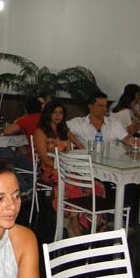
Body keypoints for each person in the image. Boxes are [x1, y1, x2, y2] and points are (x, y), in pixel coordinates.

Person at [34, 101, 105, 237]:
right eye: (55, 112)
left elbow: (80, 147)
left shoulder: (64, 131)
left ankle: (95, 221)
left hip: (68, 168)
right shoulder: (40, 132)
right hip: (50, 169)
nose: (58, 116)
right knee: (74, 184)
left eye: (61, 113)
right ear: (48, 114)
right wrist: (64, 168)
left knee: (97, 185)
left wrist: (80, 160)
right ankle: (73, 222)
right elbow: (44, 159)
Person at [67, 91, 136, 149]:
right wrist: (79, 145)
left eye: (105, 106)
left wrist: (133, 141)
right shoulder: (78, 123)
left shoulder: (114, 123)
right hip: (89, 159)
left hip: (112, 159)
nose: (104, 109)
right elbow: (63, 130)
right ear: (90, 106)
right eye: (100, 106)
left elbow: (126, 139)